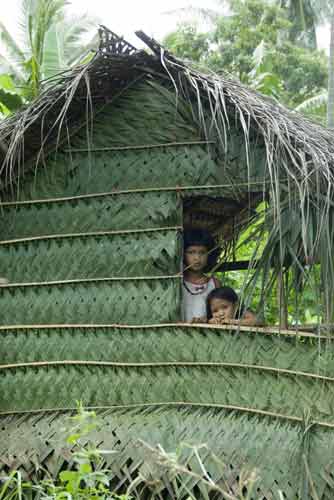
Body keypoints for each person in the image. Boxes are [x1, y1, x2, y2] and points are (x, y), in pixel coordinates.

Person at [182, 228, 221, 323]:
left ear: (209, 254)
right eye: (191, 252)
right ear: (182, 254)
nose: (197, 258)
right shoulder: (177, 282)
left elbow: (220, 313)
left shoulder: (214, 284)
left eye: (202, 252)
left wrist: (207, 320)